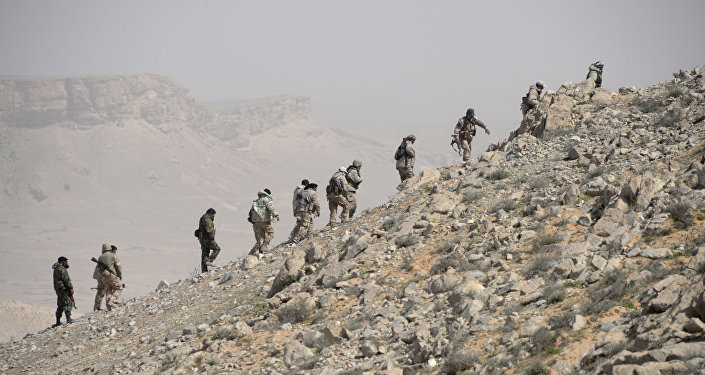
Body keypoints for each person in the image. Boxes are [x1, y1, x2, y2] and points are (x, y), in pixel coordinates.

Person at [248, 189, 279, 258]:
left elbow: (251, 213)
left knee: (260, 240)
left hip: (256, 223)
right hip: (264, 222)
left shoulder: (255, 202)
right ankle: (264, 248)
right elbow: (271, 208)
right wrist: (276, 215)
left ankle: (250, 254)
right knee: (271, 233)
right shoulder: (266, 200)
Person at [97, 244, 123, 311]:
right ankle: (112, 301)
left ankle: (109, 307)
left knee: (108, 290)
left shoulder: (100, 257)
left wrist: (102, 276)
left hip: (104, 277)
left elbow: (98, 269)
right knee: (119, 288)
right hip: (112, 275)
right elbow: (118, 265)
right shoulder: (112, 255)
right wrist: (120, 274)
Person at [52, 256, 74, 327]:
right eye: (65, 261)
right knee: (67, 302)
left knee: (60, 304)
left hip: (58, 289)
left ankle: (58, 321)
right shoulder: (62, 269)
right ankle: (68, 319)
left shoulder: (56, 269)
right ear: (62, 262)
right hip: (63, 288)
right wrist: (71, 288)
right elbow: (66, 280)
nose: (67, 262)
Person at [197, 208, 220, 272]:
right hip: (207, 239)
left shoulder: (202, 218)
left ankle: (204, 271)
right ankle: (209, 260)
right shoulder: (208, 220)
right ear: (211, 214)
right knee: (217, 249)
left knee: (205, 253)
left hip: (201, 239)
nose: (213, 217)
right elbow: (209, 231)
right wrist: (212, 239)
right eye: (213, 215)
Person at [92, 243, 112, 311]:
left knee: (101, 291)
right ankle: (109, 305)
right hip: (105, 275)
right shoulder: (111, 256)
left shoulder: (101, 257)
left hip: (100, 275)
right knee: (108, 290)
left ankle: (97, 307)